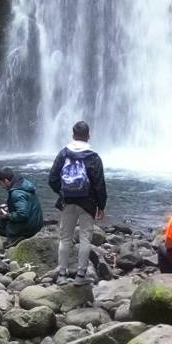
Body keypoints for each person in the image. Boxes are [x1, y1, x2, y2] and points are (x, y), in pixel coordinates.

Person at [47, 120, 106, 283]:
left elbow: (52, 179)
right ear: (88, 136)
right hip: (88, 203)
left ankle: (62, 275)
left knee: (65, 238)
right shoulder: (93, 157)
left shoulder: (63, 153)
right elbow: (99, 184)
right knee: (85, 238)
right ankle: (81, 276)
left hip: (68, 201)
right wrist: (101, 206)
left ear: (73, 135)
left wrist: (62, 192)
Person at [0, 167, 43, 244]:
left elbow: (22, 214)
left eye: (1, 183)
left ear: (6, 181)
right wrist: (8, 207)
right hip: (36, 223)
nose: (2, 186)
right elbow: (25, 205)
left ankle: (17, 238)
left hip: (30, 227)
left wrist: (7, 215)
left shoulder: (16, 193)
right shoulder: (23, 183)